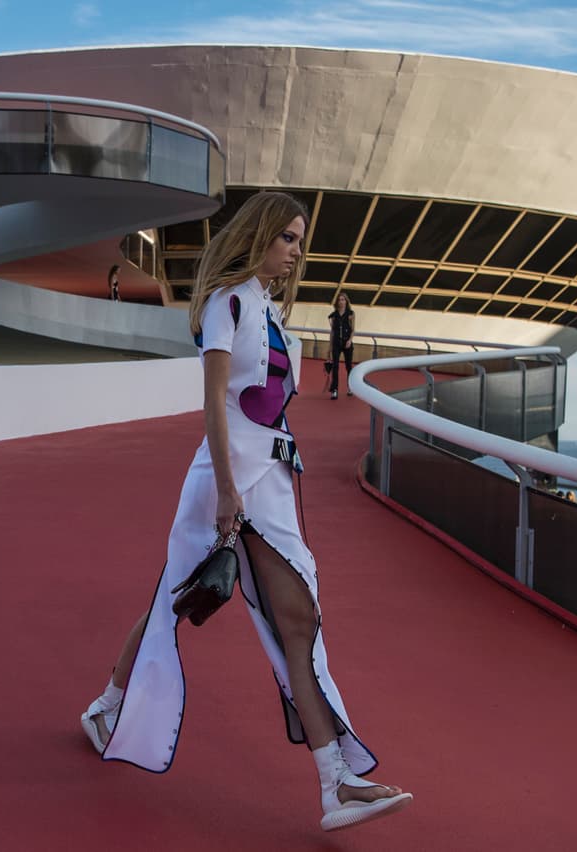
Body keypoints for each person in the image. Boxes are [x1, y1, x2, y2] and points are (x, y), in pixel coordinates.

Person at [79, 192, 412, 832]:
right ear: (259, 234)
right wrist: (228, 489)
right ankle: (108, 706)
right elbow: (214, 406)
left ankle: (333, 781)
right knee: (181, 601)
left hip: (273, 479)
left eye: (299, 240)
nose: (295, 252)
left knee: (295, 616)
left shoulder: (270, 309)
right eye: (287, 237)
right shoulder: (226, 301)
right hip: (228, 474)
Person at [327, 292, 355, 400]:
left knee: (348, 366)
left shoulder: (351, 314)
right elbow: (332, 332)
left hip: (347, 343)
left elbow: (353, 330)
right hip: (336, 343)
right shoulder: (333, 316)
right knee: (335, 366)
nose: (341, 302)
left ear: (346, 301)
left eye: (343, 299)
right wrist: (329, 348)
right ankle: (334, 390)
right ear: (337, 302)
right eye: (339, 300)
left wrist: (350, 340)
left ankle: (350, 387)